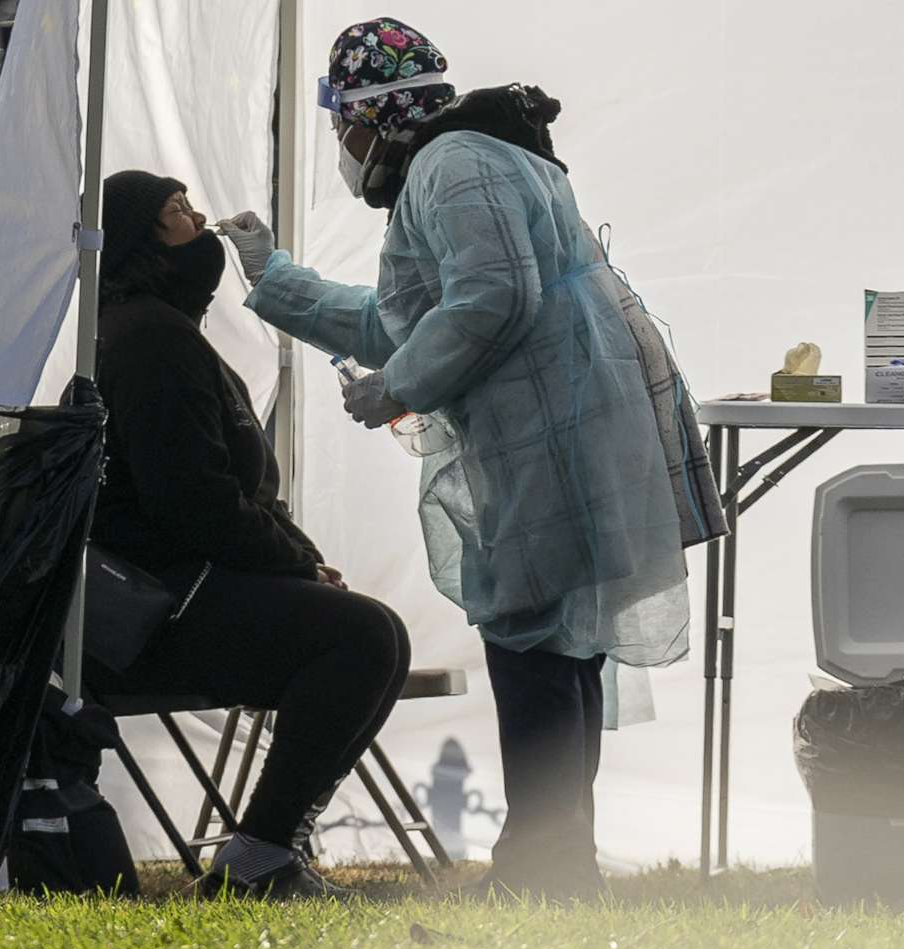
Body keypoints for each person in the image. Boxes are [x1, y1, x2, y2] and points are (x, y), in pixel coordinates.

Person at [214, 20, 725, 900]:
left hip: (552, 430)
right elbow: (400, 317)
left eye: (345, 125)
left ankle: (545, 866)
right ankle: (558, 863)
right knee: (558, 648)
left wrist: (398, 387)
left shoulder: (453, 165)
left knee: (536, 646)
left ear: (378, 114)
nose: (343, 145)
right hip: (556, 421)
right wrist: (276, 277)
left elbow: (492, 296)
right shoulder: (462, 162)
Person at [86, 170, 412, 900]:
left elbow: (222, 498)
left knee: (372, 636)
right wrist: (297, 564)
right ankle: (261, 858)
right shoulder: (148, 342)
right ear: (140, 241)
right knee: (364, 640)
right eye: (177, 213)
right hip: (158, 614)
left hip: (180, 591)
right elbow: (195, 505)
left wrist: (301, 564)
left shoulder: (157, 332)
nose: (202, 223)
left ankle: (267, 851)